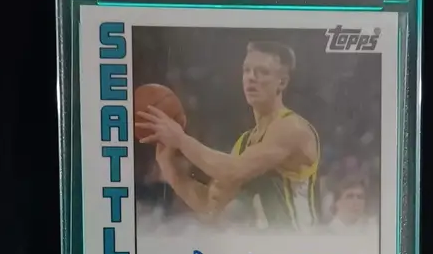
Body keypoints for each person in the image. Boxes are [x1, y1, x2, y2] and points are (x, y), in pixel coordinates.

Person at [137, 41, 320, 231]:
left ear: (282, 82)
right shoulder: (244, 143)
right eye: (247, 70)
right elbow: (210, 205)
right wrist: (169, 168)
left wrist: (180, 139)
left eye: (263, 72)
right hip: (264, 246)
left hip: (299, 243)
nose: (251, 77)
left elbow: (230, 170)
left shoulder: (292, 128)